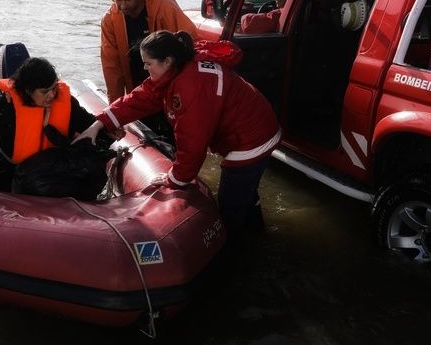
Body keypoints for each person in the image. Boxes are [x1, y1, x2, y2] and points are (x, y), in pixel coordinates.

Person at [75, 30, 282, 237]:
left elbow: (192, 142)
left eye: (148, 63)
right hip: (252, 128)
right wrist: (99, 123)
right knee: (245, 193)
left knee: (230, 205)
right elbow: (139, 99)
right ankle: (257, 232)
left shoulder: (191, 85)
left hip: (251, 138)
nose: (144, 68)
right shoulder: (176, 71)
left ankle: (237, 250)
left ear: (167, 61)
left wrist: (174, 179)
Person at [0, 57, 110, 193]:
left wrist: (108, 131)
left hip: (53, 168)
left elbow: (91, 125)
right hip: (12, 169)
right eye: (45, 92)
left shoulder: (67, 103)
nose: (51, 95)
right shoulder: (5, 108)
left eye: (54, 88)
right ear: (28, 91)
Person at [100, 0, 198, 103]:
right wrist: (114, 107)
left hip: (170, 88)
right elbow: (111, 68)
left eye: (128, 0)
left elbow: (192, 43)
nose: (123, 6)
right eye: (118, 0)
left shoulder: (165, 6)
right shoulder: (109, 20)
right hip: (137, 90)